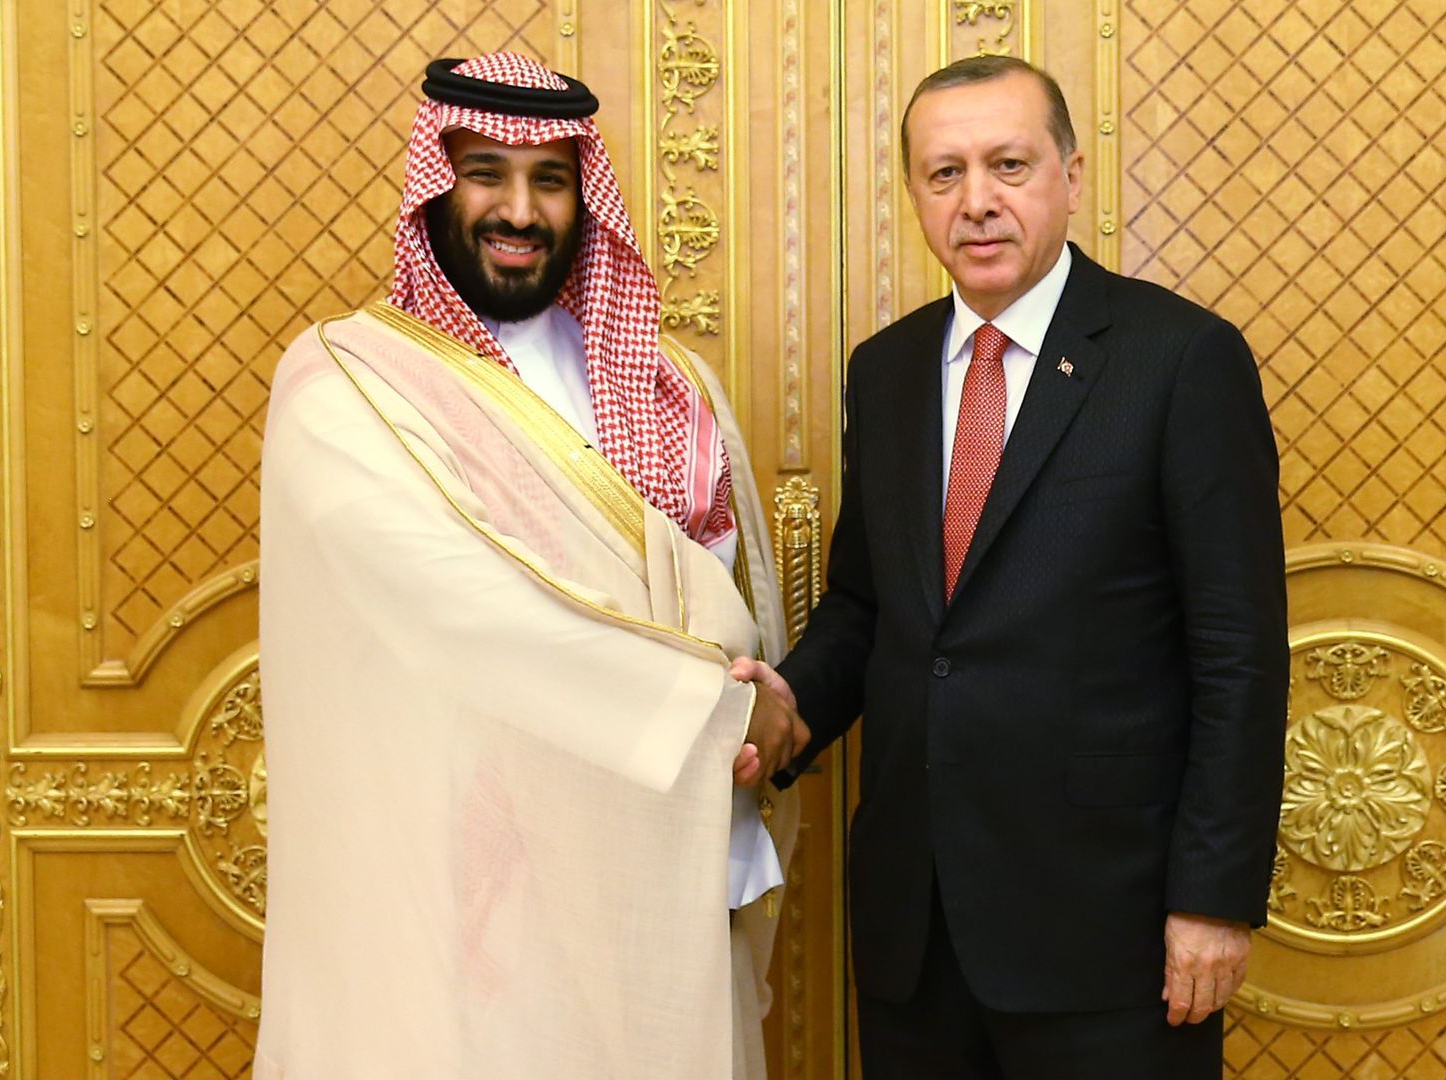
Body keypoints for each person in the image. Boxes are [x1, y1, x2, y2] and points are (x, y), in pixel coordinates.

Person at [255, 52, 805, 1078]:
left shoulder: (669, 385)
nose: (520, 209)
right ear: (435, 187)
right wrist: (724, 711)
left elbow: (725, 596)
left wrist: (751, 694)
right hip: (459, 871)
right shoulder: (346, 388)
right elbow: (462, 615)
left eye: (550, 179)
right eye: (486, 173)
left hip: (661, 850)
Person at [743, 55, 1287, 1077]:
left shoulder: (1180, 360)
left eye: (1009, 165)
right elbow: (869, 607)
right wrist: (788, 708)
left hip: (1110, 932)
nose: (977, 202)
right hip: (917, 926)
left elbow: (1238, 654)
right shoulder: (889, 370)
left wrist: (1212, 900)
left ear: (1072, 175)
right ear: (914, 193)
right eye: (944, 174)